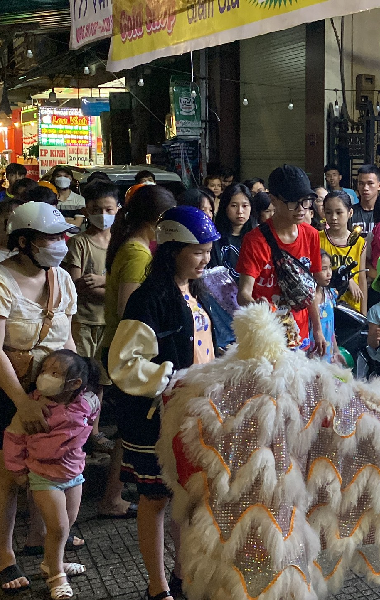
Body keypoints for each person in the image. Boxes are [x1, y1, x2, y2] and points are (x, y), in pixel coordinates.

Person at [108, 206, 220, 600]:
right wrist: (170, 379)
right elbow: (122, 364)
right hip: (152, 419)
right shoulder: (149, 298)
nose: (205, 259)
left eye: (208, 250)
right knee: (155, 499)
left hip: (191, 415)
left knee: (188, 498)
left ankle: (181, 575)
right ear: (172, 249)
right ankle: (158, 588)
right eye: (197, 251)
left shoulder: (194, 289)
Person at [0, 202, 79, 593]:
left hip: (49, 390)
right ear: (24, 241)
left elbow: (66, 339)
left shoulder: (62, 279)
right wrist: (21, 401)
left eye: (63, 235)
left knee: (47, 467)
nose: (61, 243)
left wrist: (81, 389)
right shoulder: (2, 280)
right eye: (51, 237)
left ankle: (46, 550)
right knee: (7, 476)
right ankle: (3, 554)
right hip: (8, 391)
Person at [98, 185, 175, 520]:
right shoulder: (138, 253)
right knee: (130, 432)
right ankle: (112, 496)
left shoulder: (135, 247)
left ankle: (113, 494)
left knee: (126, 433)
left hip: (118, 348)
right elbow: (130, 306)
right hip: (125, 353)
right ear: (157, 220)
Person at [3, 349, 99, 599]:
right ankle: (56, 576)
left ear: (75, 384)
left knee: (69, 521)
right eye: (44, 370)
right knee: (57, 527)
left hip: (74, 473)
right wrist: (18, 470)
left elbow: (93, 413)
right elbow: (13, 437)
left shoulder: (86, 402)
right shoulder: (35, 406)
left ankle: (50, 562)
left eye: (54, 373)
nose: (45, 376)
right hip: (43, 477)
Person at [236, 165, 325, 355]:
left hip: (299, 335)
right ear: (273, 200)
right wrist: (258, 307)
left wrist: (317, 329)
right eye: (293, 203)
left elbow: (310, 289)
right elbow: (243, 294)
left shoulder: (311, 235)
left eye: (306, 202)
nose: (301, 209)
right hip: (267, 339)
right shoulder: (255, 240)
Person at [63, 180, 118, 454]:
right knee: (80, 379)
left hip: (108, 323)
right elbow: (76, 284)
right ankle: (75, 431)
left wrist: (101, 281)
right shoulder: (79, 243)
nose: (103, 214)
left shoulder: (120, 242)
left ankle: (93, 432)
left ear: (118, 208)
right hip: (83, 322)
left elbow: (122, 284)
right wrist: (112, 286)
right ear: (86, 210)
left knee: (101, 381)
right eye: (97, 209)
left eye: (108, 208)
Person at [319, 191, 366, 314]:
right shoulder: (317, 239)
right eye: (328, 212)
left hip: (352, 306)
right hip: (325, 306)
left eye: (339, 212)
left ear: (350, 213)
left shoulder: (359, 242)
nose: (333, 217)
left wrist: (364, 314)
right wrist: (347, 279)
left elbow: (362, 279)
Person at [209, 184, 256, 281]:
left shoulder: (258, 237)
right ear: (225, 207)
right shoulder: (214, 238)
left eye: (245, 206)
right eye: (234, 205)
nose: (240, 211)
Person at [313, 251, 338, 363]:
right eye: (323, 269)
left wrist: (336, 351)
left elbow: (331, 329)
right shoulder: (306, 301)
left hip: (328, 356)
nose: (329, 273)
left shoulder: (330, 295)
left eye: (330, 268)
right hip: (311, 358)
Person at [350, 164, 380, 236]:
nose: (365, 188)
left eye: (370, 183)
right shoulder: (349, 213)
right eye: (361, 183)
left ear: (379, 186)